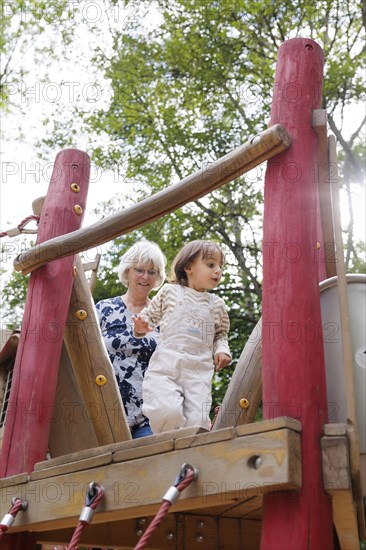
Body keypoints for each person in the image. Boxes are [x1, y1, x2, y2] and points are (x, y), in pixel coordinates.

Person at [134, 240, 231, 433]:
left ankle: (192, 459)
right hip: (166, 369)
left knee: (197, 423)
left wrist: (222, 350)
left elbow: (221, 334)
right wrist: (141, 327)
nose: (218, 271)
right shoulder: (170, 292)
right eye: (211, 265)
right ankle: (167, 448)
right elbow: (148, 318)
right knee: (167, 411)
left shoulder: (216, 305)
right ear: (188, 267)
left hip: (198, 374)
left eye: (221, 266)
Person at [95, 240, 166, 439]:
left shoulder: (164, 316)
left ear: (157, 278)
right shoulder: (103, 309)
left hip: (150, 413)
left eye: (152, 272)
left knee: (147, 463)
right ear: (127, 271)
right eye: (140, 270)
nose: (145, 277)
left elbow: (175, 363)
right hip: (106, 411)